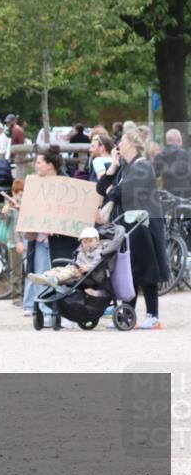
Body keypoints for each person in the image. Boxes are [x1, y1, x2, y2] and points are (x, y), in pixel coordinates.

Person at [96, 129, 169, 329]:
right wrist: (112, 166)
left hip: (144, 226)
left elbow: (122, 192)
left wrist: (112, 191)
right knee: (130, 271)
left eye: (122, 140)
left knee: (146, 269)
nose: (118, 144)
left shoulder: (143, 166)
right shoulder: (124, 168)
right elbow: (101, 188)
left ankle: (153, 316)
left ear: (132, 144)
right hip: (128, 226)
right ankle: (128, 316)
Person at [22, 147, 79, 326]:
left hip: (61, 241)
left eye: (39, 162)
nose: (36, 165)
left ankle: (67, 313)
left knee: (62, 277)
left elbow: (73, 211)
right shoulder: (35, 185)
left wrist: (58, 224)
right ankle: (46, 312)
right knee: (41, 276)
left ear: (50, 165)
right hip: (40, 239)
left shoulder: (67, 185)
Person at [28, 226, 103, 289]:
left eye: (90, 241)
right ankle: (45, 276)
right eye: (85, 242)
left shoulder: (99, 252)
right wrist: (76, 265)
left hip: (86, 272)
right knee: (59, 269)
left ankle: (55, 279)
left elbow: (97, 263)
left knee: (70, 270)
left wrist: (87, 267)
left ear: (97, 240)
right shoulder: (81, 251)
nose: (88, 244)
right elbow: (78, 261)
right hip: (77, 268)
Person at [0, 178, 26, 306]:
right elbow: (2, 217)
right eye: (17, 192)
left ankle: (26, 295)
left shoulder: (29, 204)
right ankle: (16, 296)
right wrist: (4, 211)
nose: (20, 194)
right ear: (13, 192)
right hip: (14, 243)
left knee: (27, 271)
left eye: (22, 191)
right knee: (16, 271)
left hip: (27, 241)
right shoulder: (9, 204)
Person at [154, 129, 191, 198]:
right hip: (185, 195)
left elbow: (154, 175)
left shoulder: (159, 156)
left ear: (166, 141)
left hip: (167, 195)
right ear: (179, 140)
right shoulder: (185, 154)